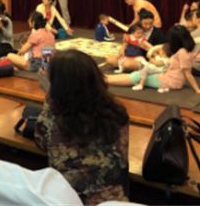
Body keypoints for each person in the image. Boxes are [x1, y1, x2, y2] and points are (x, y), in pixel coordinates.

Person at [35, 50, 130, 204]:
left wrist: (49, 97)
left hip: (71, 201)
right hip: (116, 200)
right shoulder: (117, 113)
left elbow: (41, 143)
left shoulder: (53, 119)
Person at [106, 26, 200, 96]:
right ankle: (105, 77)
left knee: (137, 76)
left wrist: (197, 89)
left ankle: (104, 80)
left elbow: (188, 73)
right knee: (139, 73)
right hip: (168, 76)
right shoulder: (183, 49)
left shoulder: (183, 52)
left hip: (172, 81)